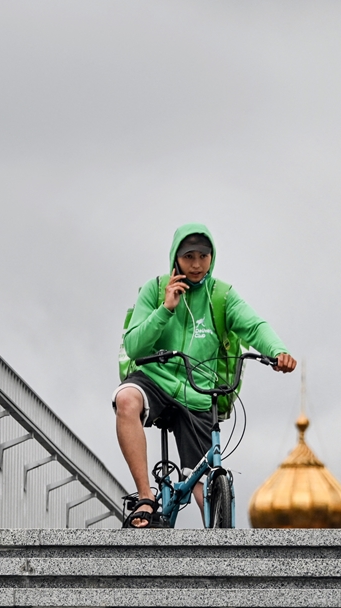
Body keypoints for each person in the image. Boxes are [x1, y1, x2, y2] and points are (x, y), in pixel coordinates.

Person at [113, 223, 297, 528]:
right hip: (156, 378)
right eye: (189, 257)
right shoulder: (155, 290)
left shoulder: (222, 296)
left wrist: (278, 351)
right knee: (126, 399)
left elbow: (254, 326)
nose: (197, 265)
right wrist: (166, 309)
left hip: (197, 388)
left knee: (201, 481)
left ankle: (219, 550)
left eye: (203, 256)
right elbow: (133, 346)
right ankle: (146, 497)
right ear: (176, 258)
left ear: (212, 257)